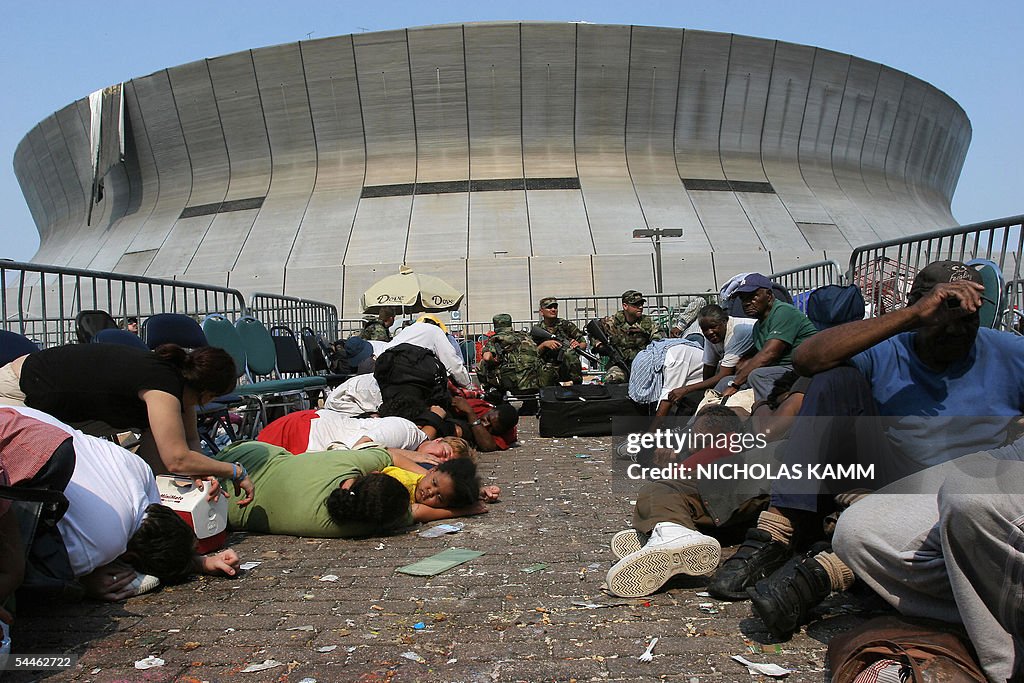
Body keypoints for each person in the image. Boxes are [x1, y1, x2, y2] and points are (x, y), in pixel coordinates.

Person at [717, 261, 1024, 622]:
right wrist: (913, 317)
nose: (956, 328)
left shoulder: (1009, 352)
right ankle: (779, 530)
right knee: (834, 379)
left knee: (971, 517)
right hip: (891, 478)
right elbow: (807, 360)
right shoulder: (891, 346)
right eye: (943, 314)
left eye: (968, 317)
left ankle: (837, 568)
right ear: (916, 307)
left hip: (965, 493)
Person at [7, 407, 240, 602]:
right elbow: (35, 576)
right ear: (129, 558)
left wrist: (200, 562)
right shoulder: (103, 546)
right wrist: (84, 583)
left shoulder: (142, 474)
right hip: (16, 443)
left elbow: (163, 543)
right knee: (20, 570)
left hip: (20, 416)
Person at [834, 450, 1024, 683]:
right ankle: (977, 631)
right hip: (1015, 453)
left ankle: (1004, 670)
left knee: (970, 492)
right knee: (857, 534)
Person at [0, 344, 254, 505]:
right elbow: (178, 459)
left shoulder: (179, 385)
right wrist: (234, 471)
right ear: (208, 394)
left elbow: (189, 445)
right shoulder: (163, 386)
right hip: (18, 392)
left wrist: (204, 473)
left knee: (154, 472)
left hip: (53, 399)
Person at [212, 440, 431, 537]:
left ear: (374, 474)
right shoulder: (350, 525)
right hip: (220, 509)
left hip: (249, 455)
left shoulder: (344, 463)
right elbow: (419, 512)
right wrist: (465, 509)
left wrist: (426, 474)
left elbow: (389, 454)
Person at [716, 273, 817, 403]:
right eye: (743, 298)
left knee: (757, 376)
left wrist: (736, 384)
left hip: (803, 367)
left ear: (768, 295)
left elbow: (769, 353)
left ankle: (776, 411)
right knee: (725, 381)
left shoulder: (783, 312)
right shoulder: (758, 326)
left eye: (752, 297)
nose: (746, 303)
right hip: (782, 369)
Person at [657, 304, 756, 417]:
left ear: (724, 322)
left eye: (713, 327)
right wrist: (702, 394)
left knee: (724, 388)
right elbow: (709, 368)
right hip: (735, 369)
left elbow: (724, 374)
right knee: (694, 399)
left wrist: (685, 389)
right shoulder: (711, 335)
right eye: (705, 329)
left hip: (755, 369)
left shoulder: (737, 332)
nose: (709, 332)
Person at [383, 458, 500, 523]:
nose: (430, 492)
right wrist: (464, 511)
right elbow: (416, 513)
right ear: (432, 470)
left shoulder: (430, 479)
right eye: (434, 483)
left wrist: (477, 493)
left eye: (439, 497)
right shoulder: (404, 482)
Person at [594, 290, 662, 384]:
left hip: (643, 363)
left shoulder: (648, 323)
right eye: (636, 304)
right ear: (625, 306)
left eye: (641, 304)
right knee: (612, 379)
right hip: (620, 365)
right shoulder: (611, 322)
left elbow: (659, 341)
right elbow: (594, 332)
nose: (641, 307)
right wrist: (600, 346)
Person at [385, 318, 472, 387]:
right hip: (410, 378)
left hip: (387, 372)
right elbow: (453, 363)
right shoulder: (435, 331)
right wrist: (468, 384)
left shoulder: (408, 331)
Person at [478, 314, 542, 394]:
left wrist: (495, 363)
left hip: (512, 382)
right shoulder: (525, 336)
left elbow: (487, 357)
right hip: (532, 380)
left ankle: (494, 394)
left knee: (481, 365)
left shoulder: (496, 339)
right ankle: (529, 403)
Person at [534, 297, 588, 385]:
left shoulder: (566, 325)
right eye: (549, 307)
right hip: (546, 368)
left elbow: (583, 343)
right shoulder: (537, 330)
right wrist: (544, 345)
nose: (553, 310)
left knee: (569, 352)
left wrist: (577, 345)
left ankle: (576, 382)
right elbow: (532, 353)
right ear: (541, 312)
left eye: (555, 307)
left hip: (565, 368)